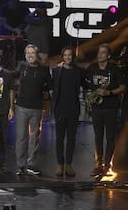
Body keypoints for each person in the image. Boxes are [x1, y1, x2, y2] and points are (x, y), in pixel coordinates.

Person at [85, 43, 126, 176]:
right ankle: (98, 165)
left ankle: (108, 165)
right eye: (99, 52)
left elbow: (123, 87)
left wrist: (109, 93)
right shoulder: (92, 68)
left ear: (108, 55)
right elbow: (84, 81)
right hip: (96, 108)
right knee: (98, 137)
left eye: (103, 53)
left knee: (110, 138)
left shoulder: (114, 69)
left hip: (110, 107)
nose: (99, 55)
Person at [14, 44, 51, 176]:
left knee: (34, 137)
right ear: (25, 55)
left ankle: (31, 164)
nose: (30, 55)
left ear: (37, 55)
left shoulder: (43, 69)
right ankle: (20, 165)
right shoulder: (21, 67)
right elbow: (11, 79)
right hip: (21, 107)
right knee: (21, 137)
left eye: (32, 53)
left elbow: (49, 85)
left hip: (36, 107)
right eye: (28, 52)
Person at [51, 46, 85, 177]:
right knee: (59, 139)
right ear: (62, 57)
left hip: (73, 109)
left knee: (71, 139)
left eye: (70, 55)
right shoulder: (57, 71)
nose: (68, 57)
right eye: (65, 55)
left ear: (73, 57)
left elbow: (85, 84)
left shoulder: (78, 72)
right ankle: (60, 164)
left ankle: (69, 164)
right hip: (60, 108)